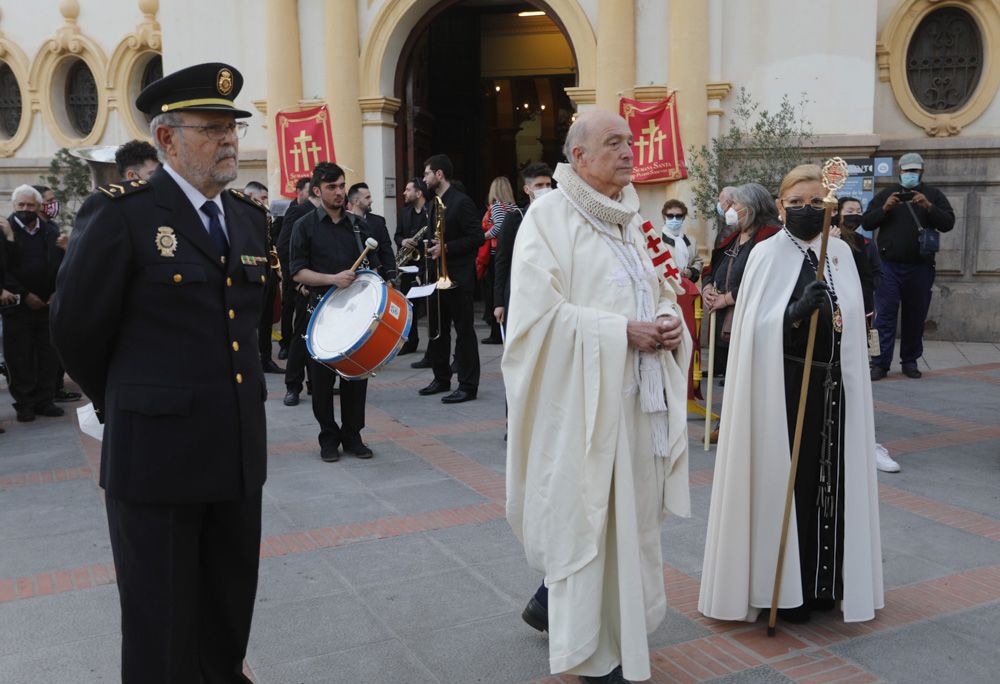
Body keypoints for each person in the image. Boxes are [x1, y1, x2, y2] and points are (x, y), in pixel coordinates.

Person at [50, 62, 268, 683]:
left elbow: (246, 328)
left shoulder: (250, 220)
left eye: (233, 127)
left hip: (234, 456)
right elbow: (76, 329)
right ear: (168, 139)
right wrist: (131, 401)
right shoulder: (120, 214)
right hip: (156, 458)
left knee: (228, 616)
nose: (228, 140)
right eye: (211, 128)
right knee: (161, 628)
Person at [505, 110, 690, 684]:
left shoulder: (632, 220)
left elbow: (658, 285)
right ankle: (589, 649)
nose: (629, 152)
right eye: (614, 143)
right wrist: (619, 332)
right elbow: (535, 320)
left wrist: (665, 320)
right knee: (586, 521)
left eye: (630, 142)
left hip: (637, 403)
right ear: (578, 157)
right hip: (583, 409)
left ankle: (608, 627)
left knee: (628, 526)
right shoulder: (549, 217)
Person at [699, 163, 884, 627]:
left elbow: (851, 322)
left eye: (815, 202)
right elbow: (752, 330)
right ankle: (786, 590)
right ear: (780, 207)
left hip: (833, 389)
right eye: (796, 202)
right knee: (792, 486)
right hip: (783, 390)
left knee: (833, 485)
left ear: (829, 205)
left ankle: (826, 584)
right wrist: (795, 312)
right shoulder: (766, 254)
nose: (806, 209)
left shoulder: (839, 253)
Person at [290, 162, 382, 462]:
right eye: (332, 187)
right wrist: (332, 279)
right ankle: (328, 437)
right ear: (317, 190)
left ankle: (353, 434)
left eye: (342, 185)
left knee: (356, 376)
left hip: (355, 313)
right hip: (320, 313)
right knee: (321, 382)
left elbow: (374, 267)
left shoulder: (359, 225)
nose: (340, 192)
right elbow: (297, 272)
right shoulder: (304, 226)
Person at [862, 152, 955, 381]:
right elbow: (867, 222)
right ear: (900, 172)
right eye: (906, 171)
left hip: (920, 267)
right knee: (884, 317)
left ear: (921, 172)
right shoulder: (887, 194)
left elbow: (948, 223)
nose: (910, 175)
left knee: (915, 317)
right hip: (888, 268)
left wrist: (929, 207)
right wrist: (884, 208)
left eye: (915, 171)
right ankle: (879, 363)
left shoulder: (933, 194)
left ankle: (910, 361)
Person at [701, 183, 780, 440]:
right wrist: (708, 287)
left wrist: (728, 298)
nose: (731, 210)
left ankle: (741, 428)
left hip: (751, 319)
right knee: (732, 374)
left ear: (752, 208)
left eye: (735, 205)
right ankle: (728, 424)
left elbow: (765, 280)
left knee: (749, 374)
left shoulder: (770, 236)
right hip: (725, 321)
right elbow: (712, 267)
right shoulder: (732, 235)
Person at [834, 197, 899, 474]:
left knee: (855, 377)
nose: (854, 216)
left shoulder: (866, 245)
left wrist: (865, 304)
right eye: (849, 212)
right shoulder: (826, 242)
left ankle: (865, 442)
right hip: (828, 319)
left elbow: (876, 275)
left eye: (858, 212)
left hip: (860, 317)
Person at [418, 154, 483, 404]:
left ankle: (468, 385)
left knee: (464, 332)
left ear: (439, 174)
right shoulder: (435, 203)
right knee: (438, 330)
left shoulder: (461, 202)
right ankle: (441, 377)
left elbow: (477, 237)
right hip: (438, 278)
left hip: (459, 277)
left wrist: (446, 248)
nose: (424, 179)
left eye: (426, 174)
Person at [3, 185, 64, 422]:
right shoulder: (5, 231)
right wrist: (25, 294)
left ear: (38, 207)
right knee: (19, 356)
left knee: (48, 353)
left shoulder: (50, 230)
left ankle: (45, 400)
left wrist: (56, 292)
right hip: (18, 304)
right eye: (21, 205)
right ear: (14, 206)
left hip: (47, 302)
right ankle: (25, 404)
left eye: (30, 205)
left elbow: (59, 262)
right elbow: (3, 269)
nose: (25, 210)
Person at [32, 185, 82, 403]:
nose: (53, 205)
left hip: (55, 297)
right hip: (33, 300)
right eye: (48, 200)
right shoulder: (28, 229)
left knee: (56, 347)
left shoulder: (52, 228)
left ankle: (56, 387)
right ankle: (38, 395)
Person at [492, 162, 553, 331]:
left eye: (548, 185)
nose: (545, 189)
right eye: (539, 185)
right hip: (520, 292)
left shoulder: (559, 217)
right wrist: (499, 303)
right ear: (527, 189)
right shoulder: (514, 219)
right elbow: (502, 260)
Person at [243, 180, 283, 375]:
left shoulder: (263, 216)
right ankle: (249, 360)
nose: (266, 202)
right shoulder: (240, 216)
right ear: (251, 196)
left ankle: (266, 358)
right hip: (249, 274)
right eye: (263, 198)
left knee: (267, 319)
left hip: (267, 271)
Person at [477, 176, 516, 344]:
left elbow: (499, 227)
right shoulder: (513, 207)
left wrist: (483, 236)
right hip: (510, 252)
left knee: (494, 291)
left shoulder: (496, 207)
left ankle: (496, 332)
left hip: (495, 253)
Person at [277, 176, 312, 361]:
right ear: (299, 192)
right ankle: (285, 344)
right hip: (292, 271)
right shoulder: (292, 211)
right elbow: (283, 245)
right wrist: (290, 274)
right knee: (288, 307)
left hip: (304, 272)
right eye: (309, 190)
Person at [395, 177, 431, 356]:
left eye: (408, 190)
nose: (404, 193)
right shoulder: (405, 212)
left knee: (431, 308)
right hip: (409, 265)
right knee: (408, 306)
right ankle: (411, 341)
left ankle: (433, 348)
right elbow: (397, 235)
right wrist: (403, 241)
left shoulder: (430, 211)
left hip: (427, 263)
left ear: (418, 193)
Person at [346, 182, 396, 282]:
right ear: (357, 201)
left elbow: (386, 250)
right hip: (352, 278)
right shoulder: (344, 223)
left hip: (378, 277)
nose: (371, 200)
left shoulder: (379, 221)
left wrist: (391, 276)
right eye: (367, 198)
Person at [660, 199, 704, 283]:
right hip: (666, 289)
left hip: (688, 287)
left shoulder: (691, 241)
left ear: (683, 218)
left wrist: (691, 271)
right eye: (670, 216)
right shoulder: (657, 241)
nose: (674, 219)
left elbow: (698, 261)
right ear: (664, 217)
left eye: (678, 216)